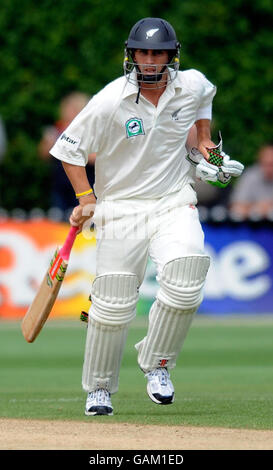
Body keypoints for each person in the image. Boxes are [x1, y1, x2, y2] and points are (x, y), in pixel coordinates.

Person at [50, 17, 244, 416]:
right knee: (112, 303)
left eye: (159, 53)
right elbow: (68, 150)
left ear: (172, 56)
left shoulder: (191, 85)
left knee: (188, 274)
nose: (152, 61)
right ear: (132, 55)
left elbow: (204, 99)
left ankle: (157, 364)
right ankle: (99, 388)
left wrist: (204, 139)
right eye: (144, 53)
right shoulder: (110, 100)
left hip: (173, 199)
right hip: (120, 206)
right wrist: (86, 196)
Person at [38, 92, 96, 213]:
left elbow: (96, 158)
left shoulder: (90, 131)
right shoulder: (57, 129)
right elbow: (43, 154)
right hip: (61, 186)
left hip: (85, 185)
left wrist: (74, 149)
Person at [229, 144, 273, 219]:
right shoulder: (250, 176)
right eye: (266, 164)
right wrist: (259, 207)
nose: (269, 169)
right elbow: (235, 207)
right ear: (259, 162)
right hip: (252, 227)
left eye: (271, 164)